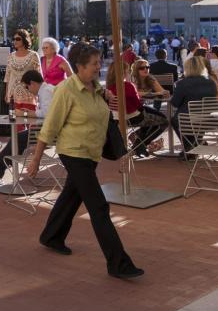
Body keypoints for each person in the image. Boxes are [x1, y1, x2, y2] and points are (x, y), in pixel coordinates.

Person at [25, 42, 144, 280]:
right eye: (94, 64)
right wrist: (36, 160)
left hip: (91, 153)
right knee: (98, 207)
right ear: (79, 66)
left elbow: (103, 117)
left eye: (99, 62)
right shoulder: (66, 90)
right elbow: (49, 128)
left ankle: (52, 235)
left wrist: (107, 98)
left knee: (72, 194)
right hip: (74, 152)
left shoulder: (96, 88)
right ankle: (118, 262)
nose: (99, 68)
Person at [169, 55, 218, 153]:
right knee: (195, 121)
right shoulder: (211, 82)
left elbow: (175, 103)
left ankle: (189, 147)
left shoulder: (182, 83)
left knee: (175, 120)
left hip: (187, 120)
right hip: (209, 119)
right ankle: (194, 144)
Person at [128, 60, 170, 155]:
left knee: (160, 121)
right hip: (130, 111)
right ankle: (140, 145)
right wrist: (156, 93)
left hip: (140, 109)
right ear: (136, 70)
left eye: (147, 67)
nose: (146, 69)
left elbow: (162, 92)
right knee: (163, 122)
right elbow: (136, 94)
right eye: (142, 68)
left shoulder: (150, 79)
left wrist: (164, 92)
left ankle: (139, 144)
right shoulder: (132, 78)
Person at [4, 28, 41, 115]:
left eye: (18, 39)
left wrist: (38, 94)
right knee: (15, 122)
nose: (15, 41)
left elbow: (39, 76)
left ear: (25, 39)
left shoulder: (34, 55)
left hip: (29, 94)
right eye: (14, 39)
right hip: (13, 94)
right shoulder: (10, 56)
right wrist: (6, 93)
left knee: (30, 122)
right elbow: (7, 77)